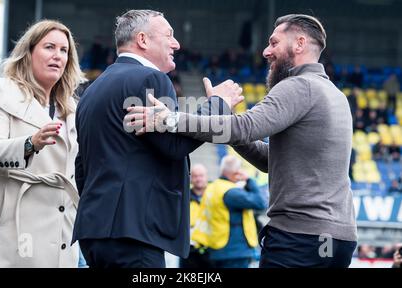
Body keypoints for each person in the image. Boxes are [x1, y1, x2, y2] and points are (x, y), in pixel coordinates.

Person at [126, 14, 358, 268]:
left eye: (274, 42)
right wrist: (227, 118)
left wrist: (168, 119)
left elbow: (244, 128)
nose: (266, 51)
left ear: (299, 43)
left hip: (299, 238)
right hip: (339, 239)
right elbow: (272, 160)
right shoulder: (335, 96)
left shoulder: (298, 86)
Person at [72, 9, 242, 268]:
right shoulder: (151, 78)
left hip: (93, 229)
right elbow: (174, 144)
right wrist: (218, 105)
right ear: (142, 40)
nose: (177, 44)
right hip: (134, 231)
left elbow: (81, 166)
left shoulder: (92, 90)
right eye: (169, 35)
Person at [0, 20, 83, 267]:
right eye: (49, 47)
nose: (58, 56)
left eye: (64, 51)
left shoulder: (73, 108)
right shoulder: (0, 91)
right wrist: (30, 144)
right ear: (28, 53)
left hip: (60, 227)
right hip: (9, 226)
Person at [192, 156, 265, 268]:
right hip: (234, 251)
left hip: (218, 248)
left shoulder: (212, 187)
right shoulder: (230, 192)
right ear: (236, 172)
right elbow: (260, 203)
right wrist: (249, 180)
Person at [179, 163, 213, 268]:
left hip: (212, 248)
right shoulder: (183, 196)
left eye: (201, 175)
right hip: (189, 250)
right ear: (190, 178)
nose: (198, 179)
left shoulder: (215, 194)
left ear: (206, 176)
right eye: (195, 176)